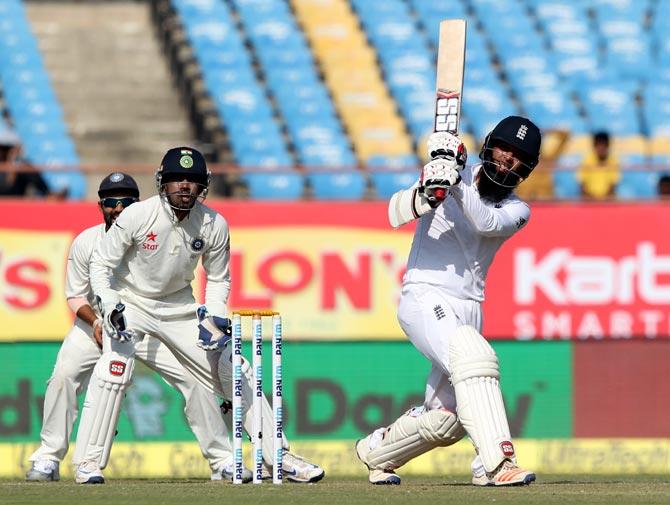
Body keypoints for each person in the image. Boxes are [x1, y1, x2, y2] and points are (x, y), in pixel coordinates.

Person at [72, 148, 324, 484]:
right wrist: (109, 305)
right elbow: (101, 265)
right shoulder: (138, 216)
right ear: (163, 182)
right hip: (132, 302)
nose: (185, 186)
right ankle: (87, 464)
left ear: (203, 185)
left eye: (192, 180)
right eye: (178, 179)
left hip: (180, 308)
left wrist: (215, 318)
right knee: (115, 368)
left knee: (233, 367)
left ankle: (276, 456)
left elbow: (219, 279)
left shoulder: (214, 224)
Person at [25, 172, 250, 484]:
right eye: (111, 203)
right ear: (100, 205)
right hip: (94, 326)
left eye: (126, 202)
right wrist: (97, 322)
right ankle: (48, 457)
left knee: (194, 381)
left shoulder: (147, 231)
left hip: (140, 323)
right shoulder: (86, 243)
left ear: (137, 205)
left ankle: (222, 459)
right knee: (63, 376)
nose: (118, 209)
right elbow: (75, 295)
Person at [357, 116, 540, 487]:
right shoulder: (450, 172)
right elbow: (395, 213)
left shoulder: (519, 210)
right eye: (504, 147)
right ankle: (496, 464)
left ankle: (377, 452)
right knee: (475, 358)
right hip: (424, 295)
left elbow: (486, 222)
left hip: (469, 308)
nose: (508, 159)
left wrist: (453, 182)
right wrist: (430, 188)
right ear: (489, 145)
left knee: (447, 419)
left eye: (519, 156)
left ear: (528, 169)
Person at [0, 128, 63, 198]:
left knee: (25, 166)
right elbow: (7, 186)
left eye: (6, 148)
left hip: (15, 203)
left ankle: (49, 194)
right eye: (3, 148)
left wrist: (13, 162)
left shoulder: (21, 165)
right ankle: (49, 194)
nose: (2, 152)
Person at [577, 131, 620, 199]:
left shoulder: (613, 161)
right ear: (594, 146)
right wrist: (592, 200)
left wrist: (602, 201)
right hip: (589, 201)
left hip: (607, 201)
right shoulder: (586, 161)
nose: (601, 148)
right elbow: (582, 184)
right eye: (598, 145)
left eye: (603, 145)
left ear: (608, 146)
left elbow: (613, 185)